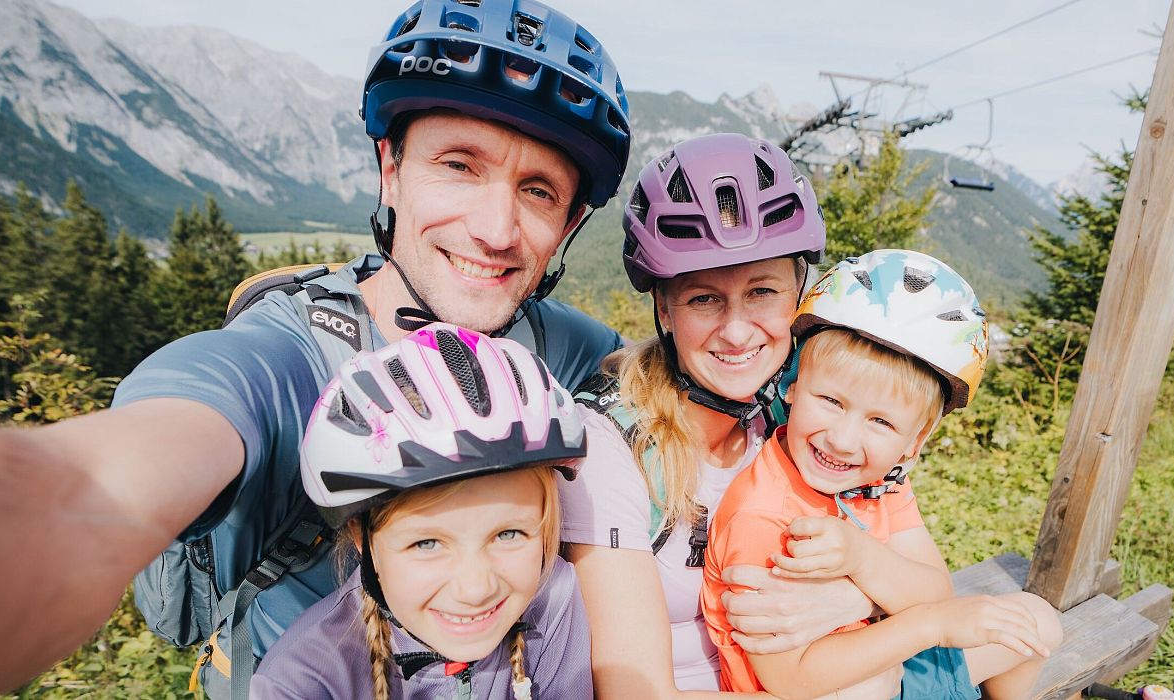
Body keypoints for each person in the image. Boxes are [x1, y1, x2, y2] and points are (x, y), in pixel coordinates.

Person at [0, 1, 630, 696]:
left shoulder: (554, 345)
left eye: (537, 191)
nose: (496, 229)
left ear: (568, 224)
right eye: (458, 165)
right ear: (390, 168)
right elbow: (103, 474)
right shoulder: (287, 358)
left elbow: (674, 372)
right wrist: (24, 516)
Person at [559, 132, 885, 698]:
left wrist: (858, 595)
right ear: (664, 307)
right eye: (704, 298)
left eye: (762, 292)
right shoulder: (612, 444)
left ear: (797, 294)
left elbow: (893, 549)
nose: (736, 332)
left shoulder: (800, 413)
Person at [700, 251, 1064, 700]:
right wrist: (930, 624)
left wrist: (862, 559)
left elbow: (935, 588)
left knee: (1035, 621)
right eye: (831, 401)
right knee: (866, 689)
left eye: (882, 423)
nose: (844, 440)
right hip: (823, 688)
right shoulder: (762, 515)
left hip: (893, 660)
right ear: (793, 387)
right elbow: (787, 680)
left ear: (914, 442)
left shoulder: (878, 480)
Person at [251, 323, 592, 699]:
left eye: (508, 534)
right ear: (360, 539)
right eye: (427, 543)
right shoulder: (302, 682)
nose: (475, 589)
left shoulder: (554, 597)